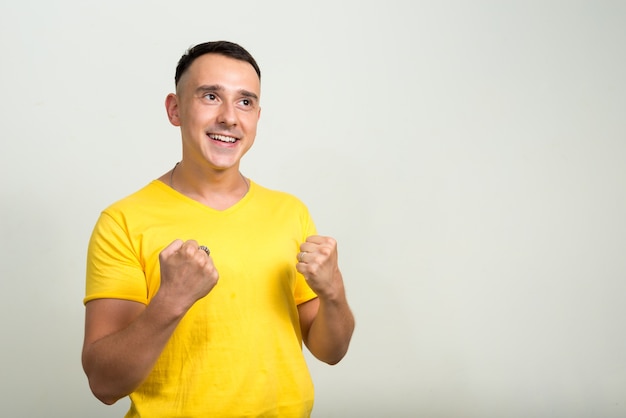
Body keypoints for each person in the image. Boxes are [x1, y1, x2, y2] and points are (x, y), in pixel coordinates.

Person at [81, 40, 355, 417]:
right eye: (211, 96)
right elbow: (104, 384)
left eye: (245, 102)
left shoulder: (291, 212)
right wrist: (170, 301)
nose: (230, 116)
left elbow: (331, 351)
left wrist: (334, 293)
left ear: (258, 116)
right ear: (175, 109)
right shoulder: (123, 221)